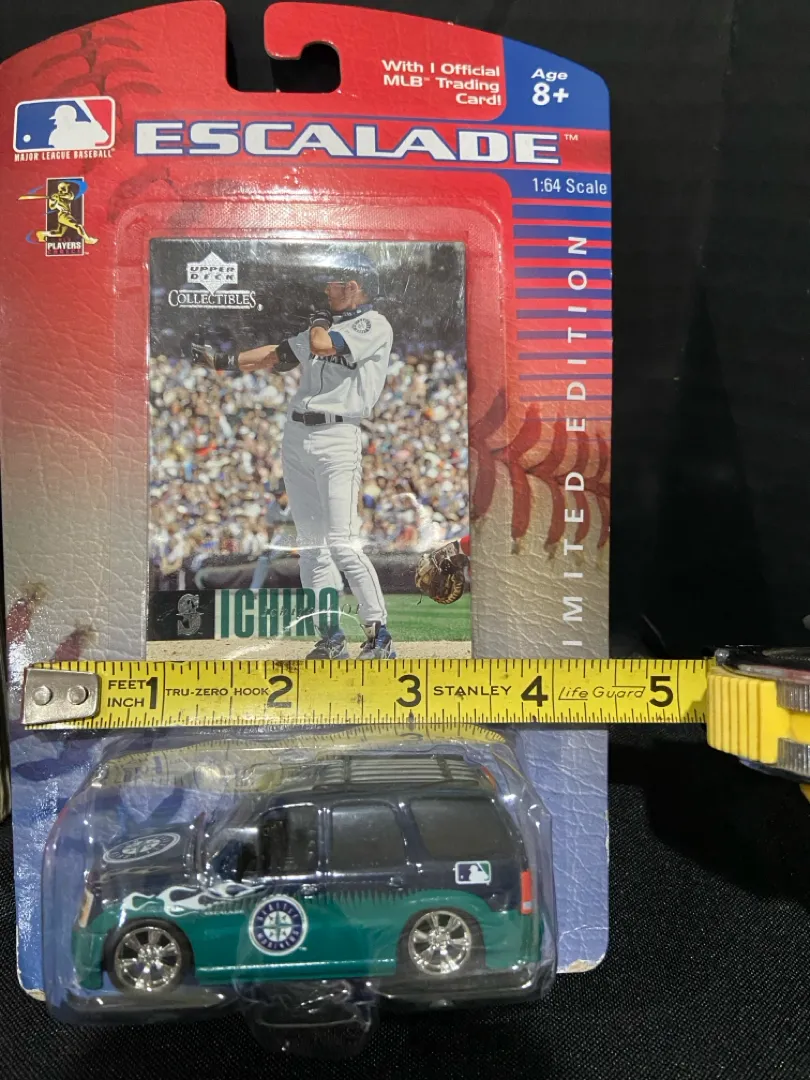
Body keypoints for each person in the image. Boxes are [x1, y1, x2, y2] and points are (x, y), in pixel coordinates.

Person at [196, 252, 396, 659]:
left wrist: (319, 320)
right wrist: (222, 362)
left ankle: (378, 633)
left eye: (333, 283)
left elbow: (321, 343)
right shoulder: (327, 326)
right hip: (297, 434)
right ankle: (331, 636)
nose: (326, 289)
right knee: (312, 546)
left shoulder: (372, 324)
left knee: (342, 543)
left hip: (338, 434)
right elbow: (276, 355)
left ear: (353, 286)